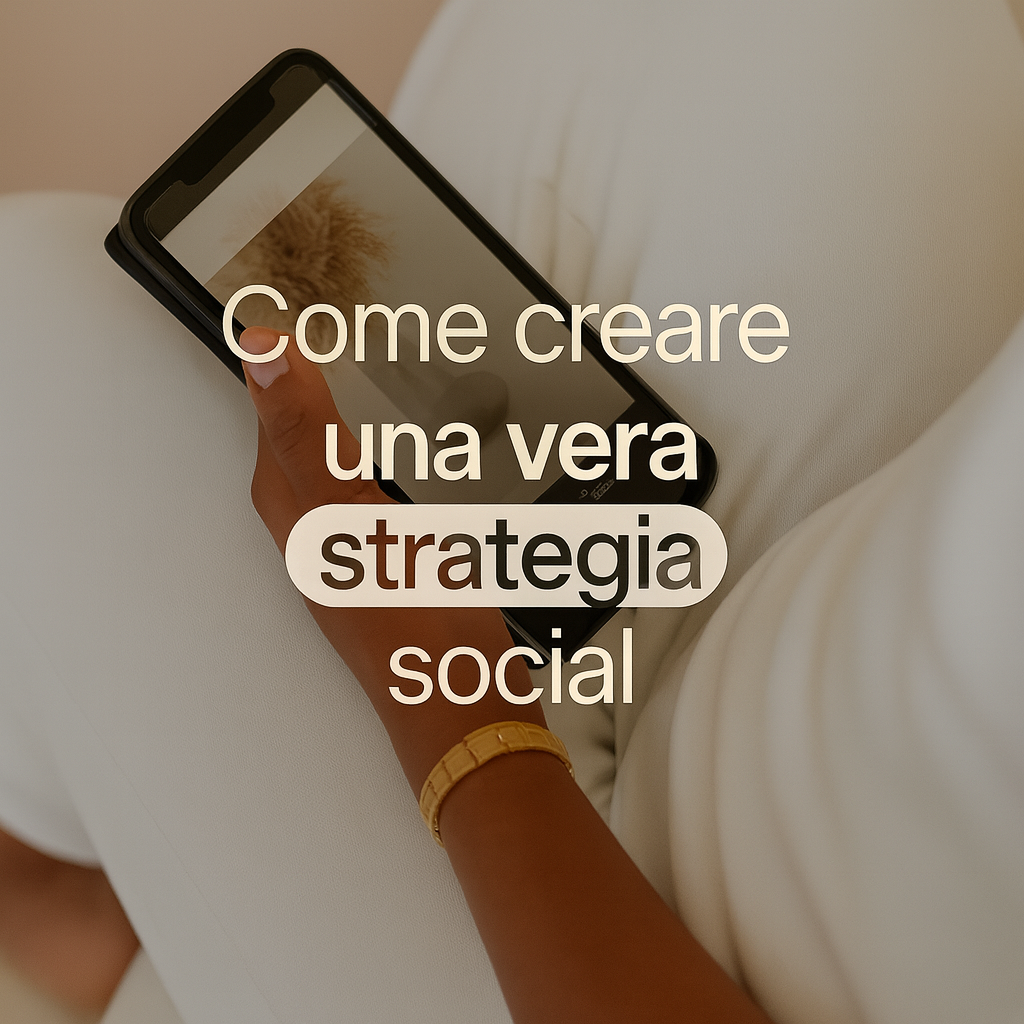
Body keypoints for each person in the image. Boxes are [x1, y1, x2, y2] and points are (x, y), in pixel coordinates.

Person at [2, 1, 1024, 1022]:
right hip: (867, 578)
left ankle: (108, 942)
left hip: (649, 940)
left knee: (29, 323)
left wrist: (448, 692)